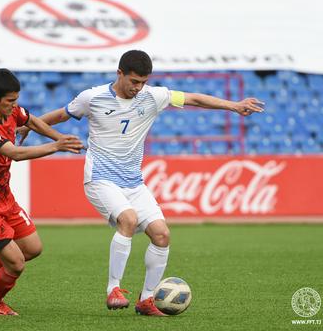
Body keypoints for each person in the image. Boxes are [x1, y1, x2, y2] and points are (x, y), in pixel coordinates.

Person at [18, 50, 264, 316]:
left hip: (134, 183)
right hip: (100, 178)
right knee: (129, 219)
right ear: (119, 73)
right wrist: (30, 125)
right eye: (134, 81)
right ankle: (114, 288)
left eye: (143, 82)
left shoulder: (153, 96)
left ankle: (146, 300)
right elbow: (64, 114)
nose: (138, 87)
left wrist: (234, 105)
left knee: (162, 234)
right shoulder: (93, 97)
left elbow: (193, 98)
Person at [0, 68, 84, 316]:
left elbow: (32, 120)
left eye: (16, 100)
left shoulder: (11, 110)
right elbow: (15, 154)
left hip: (4, 197)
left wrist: (60, 136)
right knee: (16, 264)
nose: (15, 106)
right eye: (10, 101)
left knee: (32, 249)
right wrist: (56, 146)